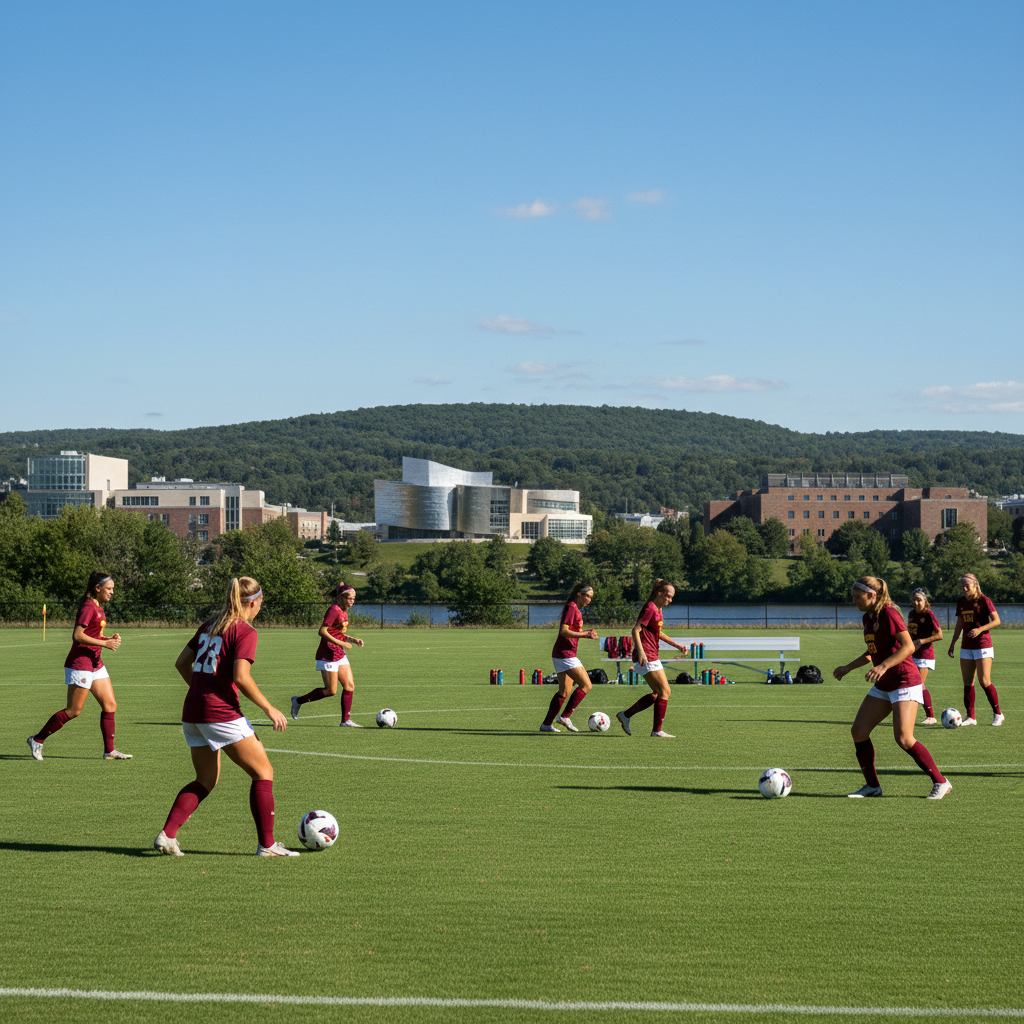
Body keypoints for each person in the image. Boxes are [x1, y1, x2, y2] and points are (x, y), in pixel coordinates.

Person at [154, 577, 297, 856]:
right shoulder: (244, 631)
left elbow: (182, 662)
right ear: (253, 602)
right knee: (263, 773)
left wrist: (201, 689)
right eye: (260, 604)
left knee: (205, 779)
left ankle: (167, 836)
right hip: (219, 713)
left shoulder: (211, 624)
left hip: (193, 710)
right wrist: (270, 708)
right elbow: (241, 677)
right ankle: (267, 846)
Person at [833, 576, 951, 799]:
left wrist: (884, 665)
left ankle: (941, 781)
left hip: (905, 680)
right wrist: (848, 667)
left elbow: (908, 646)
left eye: (857, 596)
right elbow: (872, 652)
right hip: (884, 683)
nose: (854, 600)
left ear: (872, 595)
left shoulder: (889, 613)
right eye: (853, 596)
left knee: (904, 738)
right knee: (858, 731)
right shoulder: (868, 618)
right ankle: (872, 787)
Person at [27, 571, 131, 761]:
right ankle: (37, 739)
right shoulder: (89, 606)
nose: (112, 592)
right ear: (97, 588)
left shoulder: (99, 606)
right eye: (109, 588)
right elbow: (78, 635)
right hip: (81, 663)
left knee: (110, 705)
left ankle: (109, 751)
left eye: (113, 589)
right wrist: (105, 644)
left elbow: (92, 634)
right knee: (74, 711)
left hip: (95, 662)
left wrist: (107, 639)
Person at [616, 579, 687, 738]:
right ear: (659, 593)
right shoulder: (650, 608)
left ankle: (626, 715)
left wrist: (676, 645)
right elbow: (635, 630)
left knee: (659, 692)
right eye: (668, 596)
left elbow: (657, 632)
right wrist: (640, 651)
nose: (670, 600)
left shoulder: (657, 609)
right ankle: (656, 730)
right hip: (646, 654)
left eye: (672, 597)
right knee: (664, 691)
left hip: (651, 654)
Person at [292, 584, 365, 726]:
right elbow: (322, 631)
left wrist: (351, 640)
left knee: (349, 686)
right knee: (331, 690)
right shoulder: (334, 610)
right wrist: (343, 643)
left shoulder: (343, 611)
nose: (352, 601)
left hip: (339, 653)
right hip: (327, 654)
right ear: (341, 597)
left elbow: (336, 632)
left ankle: (345, 721)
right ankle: (298, 701)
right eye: (350, 598)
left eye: (354, 598)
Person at [539, 583, 599, 733]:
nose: (589, 600)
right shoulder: (572, 607)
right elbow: (564, 632)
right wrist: (585, 634)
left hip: (561, 654)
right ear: (579, 594)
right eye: (587, 596)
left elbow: (571, 631)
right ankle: (565, 716)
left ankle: (546, 725)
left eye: (591, 597)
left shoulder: (573, 607)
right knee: (586, 685)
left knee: (564, 691)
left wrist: (586, 632)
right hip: (566, 655)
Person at [948, 573, 1004, 727]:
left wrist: (980, 630)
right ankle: (971, 717)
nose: (965, 589)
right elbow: (959, 624)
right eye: (963, 586)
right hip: (966, 646)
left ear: (975, 584)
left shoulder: (984, 600)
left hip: (983, 645)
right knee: (967, 683)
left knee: (984, 681)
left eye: (968, 586)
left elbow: (997, 620)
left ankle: (998, 714)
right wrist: (953, 643)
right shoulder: (961, 602)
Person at [906, 588, 942, 725]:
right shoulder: (911, 614)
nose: (916, 602)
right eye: (914, 600)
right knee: (911, 684)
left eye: (919, 600)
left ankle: (931, 716)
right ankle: (913, 715)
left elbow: (939, 635)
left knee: (918, 684)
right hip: (912, 654)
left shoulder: (928, 614)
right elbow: (910, 634)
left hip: (925, 655)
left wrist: (922, 641)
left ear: (925, 600)